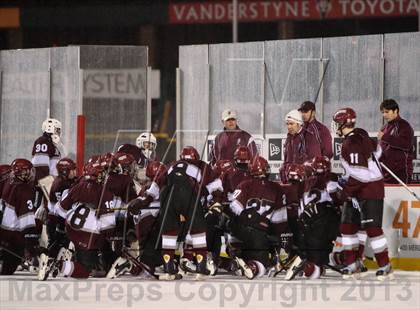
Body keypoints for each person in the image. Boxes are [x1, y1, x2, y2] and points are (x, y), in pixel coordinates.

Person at [332, 107, 393, 281]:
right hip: (359, 188)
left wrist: (345, 191)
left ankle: (385, 265)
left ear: (343, 123)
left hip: (369, 189)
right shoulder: (360, 135)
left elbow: (362, 175)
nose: (335, 126)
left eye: (337, 123)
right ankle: (353, 263)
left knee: (372, 228)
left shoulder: (351, 143)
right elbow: (378, 153)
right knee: (347, 226)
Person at [0, 159, 38, 275]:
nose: (31, 174)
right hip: (12, 236)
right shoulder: (24, 189)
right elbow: (27, 223)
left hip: (3, 232)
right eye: (29, 171)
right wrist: (32, 248)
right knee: (8, 269)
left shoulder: (8, 182)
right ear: (23, 173)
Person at [279, 109, 322, 183]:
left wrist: (303, 175)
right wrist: (284, 173)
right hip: (290, 180)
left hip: (304, 182)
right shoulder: (289, 138)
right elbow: (287, 160)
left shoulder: (309, 137)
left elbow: (315, 162)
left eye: (291, 124)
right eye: (287, 124)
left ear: (299, 124)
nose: (289, 127)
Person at [378, 99, 415, 184]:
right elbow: (383, 149)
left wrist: (385, 137)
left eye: (387, 112)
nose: (384, 115)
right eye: (383, 112)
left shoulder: (404, 125)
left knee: (401, 197)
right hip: (386, 173)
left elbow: (406, 144)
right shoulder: (384, 127)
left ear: (396, 111)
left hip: (400, 174)